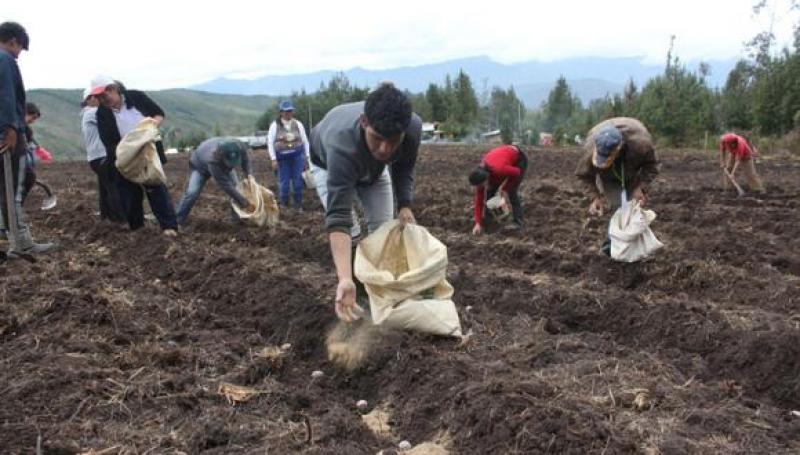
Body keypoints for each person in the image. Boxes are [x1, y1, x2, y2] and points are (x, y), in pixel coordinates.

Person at [309, 83, 422, 322]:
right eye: (378, 138)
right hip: (327, 164)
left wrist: (405, 204)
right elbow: (338, 218)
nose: (385, 148)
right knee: (352, 230)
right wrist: (344, 278)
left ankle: (381, 291)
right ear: (364, 122)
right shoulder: (342, 144)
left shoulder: (412, 128)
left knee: (383, 229)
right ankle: (356, 290)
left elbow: (403, 168)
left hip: (373, 170)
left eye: (393, 141)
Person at [91, 75, 178, 235]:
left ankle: (169, 227)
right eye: (98, 97)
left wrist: (149, 129)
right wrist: (128, 150)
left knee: (155, 188)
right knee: (129, 194)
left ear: (114, 89)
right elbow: (109, 141)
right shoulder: (102, 113)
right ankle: (137, 229)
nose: (103, 100)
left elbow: (158, 114)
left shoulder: (136, 97)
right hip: (124, 156)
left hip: (147, 152)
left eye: (104, 95)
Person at [0, 21, 56, 255]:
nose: (18, 55)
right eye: (20, 49)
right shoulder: (5, 59)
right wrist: (12, 128)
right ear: (13, 41)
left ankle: (11, 237)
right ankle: (21, 243)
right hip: (8, 137)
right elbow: (7, 97)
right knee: (13, 190)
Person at [575, 117, 659, 255]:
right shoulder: (590, 149)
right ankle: (611, 250)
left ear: (618, 149)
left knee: (633, 207)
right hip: (609, 178)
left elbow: (652, 166)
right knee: (618, 207)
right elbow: (583, 176)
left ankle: (633, 249)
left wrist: (641, 188)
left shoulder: (641, 145)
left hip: (632, 170)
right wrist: (595, 197)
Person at [175, 137, 255, 225]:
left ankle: (236, 220)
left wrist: (249, 175)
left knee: (237, 188)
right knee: (192, 193)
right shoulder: (212, 159)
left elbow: (246, 161)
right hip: (200, 167)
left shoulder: (239, 146)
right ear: (221, 156)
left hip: (220, 165)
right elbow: (226, 186)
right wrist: (244, 203)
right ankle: (178, 221)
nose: (231, 167)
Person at [82, 87, 125, 222]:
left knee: (105, 187)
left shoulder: (87, 114)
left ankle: (106, 217)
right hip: (102, 155)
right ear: (89, 99)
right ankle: (121, 219)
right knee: (113, 186)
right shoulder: (93, 113)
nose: (101, 100)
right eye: (97, 97)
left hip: (95, 157)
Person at [469, 144, 527, 235]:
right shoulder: (481, 176)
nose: (481, 187)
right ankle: (492, 218)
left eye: (482, 184)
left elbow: (517, 172)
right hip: (500, 161)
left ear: (486, 178)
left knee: (511, 191)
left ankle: (518, 222)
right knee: (490, 192)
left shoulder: (500, 169)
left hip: (518, 159)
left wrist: (505, 188)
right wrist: (477, 223)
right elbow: (479, 201)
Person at [267, 100, 310, 210]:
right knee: (284, 183)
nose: (288, 113)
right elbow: (270, 142)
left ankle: (298, 205)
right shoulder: (274, 125)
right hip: (282, 159)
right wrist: (273, 159)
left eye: (290, 111)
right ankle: (284, 205)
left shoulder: (298, 124)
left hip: (297, 157)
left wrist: (307, 156)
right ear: (281, 112)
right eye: (286, 111)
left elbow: (305, 140)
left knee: (298, 182)